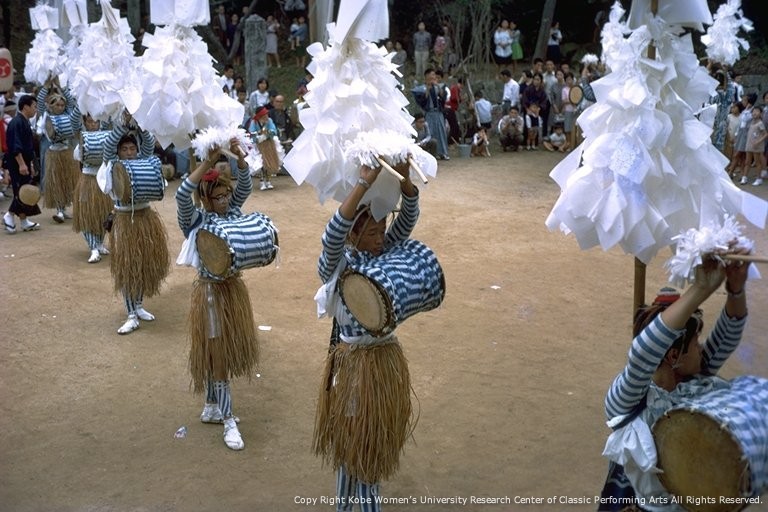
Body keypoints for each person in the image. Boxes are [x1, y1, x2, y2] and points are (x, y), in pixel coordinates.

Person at [601, 251, 753, 510]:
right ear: (673, 356)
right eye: (695, 344)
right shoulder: (626, 400)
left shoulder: (694, 377)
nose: (702, 349)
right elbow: (643, 353)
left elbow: (728, 334)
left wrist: (735, 289)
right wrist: (700, 290)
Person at [314, 160, 418, 512]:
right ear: (353, 234)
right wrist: (363, 184)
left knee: (370, 444)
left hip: (382, 364)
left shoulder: (385, 250)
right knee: (352, 440)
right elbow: (333, 234)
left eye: (381, 229)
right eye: (371, 232)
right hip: (353, 369)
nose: (379, 238)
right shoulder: (337, 265)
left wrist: (404, 179)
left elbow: (408, 218)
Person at [175, 139, 256, 451]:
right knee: (218, 353)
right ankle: (228, 419)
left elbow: (245, 184)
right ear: (206, 199)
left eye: (226, 196)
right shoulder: (195, 220)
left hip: (232, 291)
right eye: (217, 197)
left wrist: (239, 158)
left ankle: (211, 404)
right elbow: (182, 194)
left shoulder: (232, 211)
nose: (224, 201)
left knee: (218, 348)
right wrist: (208, 162)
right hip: (210, 295)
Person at [103, 116, 170, 335]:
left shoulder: (145, 161)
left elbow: (148, 144)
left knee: (142, 265)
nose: (129, 152)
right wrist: (123, 125)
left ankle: (138, 306)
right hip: (125, 221)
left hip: (145, 218)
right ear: (118, 152)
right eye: (125, 149)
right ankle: (131, 314)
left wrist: (139, 125)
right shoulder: (113, 164)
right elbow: (108, 145)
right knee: (128, 268)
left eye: (132, 148)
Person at [72, 112, 113, 263]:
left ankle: (100, 244)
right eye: (89, 122)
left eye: (96, 121)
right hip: (87, 181)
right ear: (85, 123)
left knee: (103, 213)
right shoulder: (82, 141)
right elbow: (78, 158)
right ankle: (93, 248)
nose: (93, 124)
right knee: (87, 214)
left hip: (102, 181)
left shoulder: (107, 138)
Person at [37, 78, 79, 223]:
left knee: (68, 181)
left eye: (62, 105)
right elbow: (40, 102)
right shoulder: (46, 115)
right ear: (51, 106)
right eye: (57, 105)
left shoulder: (68, 114)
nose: (60, 107)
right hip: (54, 153)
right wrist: (46, 86)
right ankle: (60, 211)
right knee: (57, 181)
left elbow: (71, 102)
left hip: (67, 152)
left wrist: (61, 86)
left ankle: (64, 208)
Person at [3, 94, 41, 234]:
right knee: (21, 191)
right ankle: (9, 215)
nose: (36, 109)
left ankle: (24, 221)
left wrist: (29, 164)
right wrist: (21, 164)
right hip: (17, 162)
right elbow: (15, 146)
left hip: (24, 161)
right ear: (26, 107)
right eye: (34, 106)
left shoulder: (23, 121)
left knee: (24, 189)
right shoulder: (16, 123)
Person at [414, 68, 449, 160]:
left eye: (434, 76)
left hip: (438, 112)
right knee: (430, 132)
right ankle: (433, 153)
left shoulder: (439, 86)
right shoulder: (422, 88)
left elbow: (443, 98)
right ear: (426, 78)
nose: (433, 78)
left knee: (441, 132)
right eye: (430, 77)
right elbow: (422, 102)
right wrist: (427, 89)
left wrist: (438, 87)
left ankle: (443, 152)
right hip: (429, 113)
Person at [247, 106, 280, 190]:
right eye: (264, 115)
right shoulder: (254, 122)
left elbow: (274, 130)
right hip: (258, 146)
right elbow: (252, 133)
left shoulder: (269, 121)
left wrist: (268, 133)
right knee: (261, 163)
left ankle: (268, 181)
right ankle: (262, 182)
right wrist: (259, 135)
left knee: (268, 163)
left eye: (266, 114)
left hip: (268, 144)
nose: (266, 116)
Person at [733, 93, 757, 184]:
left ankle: (731, 171)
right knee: (741, 156)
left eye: (744, 100)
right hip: (741, 134)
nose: (742, 102)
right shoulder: (744, 111)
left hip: (747, 135)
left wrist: (748, 109)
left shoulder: (752, 111)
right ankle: (742, 173)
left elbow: (746, 120)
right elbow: (740, 124)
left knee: (738, 154)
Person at [740, 105, 766, 186]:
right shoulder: (750, 122)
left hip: (756, 146)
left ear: (761, 114)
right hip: (749, 144)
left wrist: (758, 141)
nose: (755, 113)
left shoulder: (760, 123)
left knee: (757, 162)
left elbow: (765, 134)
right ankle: (744, 177)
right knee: (747, 162)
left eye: (757, 111)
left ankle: (758, 179)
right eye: (753, 111)